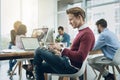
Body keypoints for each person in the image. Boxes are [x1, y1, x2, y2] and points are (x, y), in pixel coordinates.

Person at [33, 7, 95, 80]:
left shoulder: (87, 34)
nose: (69, 22)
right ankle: (33, 67)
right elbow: (75, 52)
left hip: (70, 66)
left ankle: (31, 67)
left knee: (39, 50)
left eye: (71, 19)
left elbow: (80, 57)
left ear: (79, 17)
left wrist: (62, 50)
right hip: (68, 63)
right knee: (38, 67)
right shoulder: (82, 32)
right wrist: (60, 52)